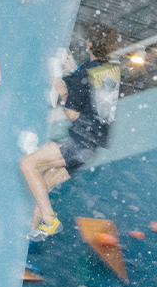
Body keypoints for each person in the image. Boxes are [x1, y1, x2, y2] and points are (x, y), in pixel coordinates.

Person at [18, 23, 121, 233]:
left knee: (28, 164)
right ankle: (29, 230)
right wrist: (74, 72)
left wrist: (64, 90)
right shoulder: (110, 71)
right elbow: (94, 97)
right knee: (44, 184)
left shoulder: (84, 72)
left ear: (89, 44)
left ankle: (49, 219)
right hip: (90, 150)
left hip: (77, 143)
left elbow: (72, 114)